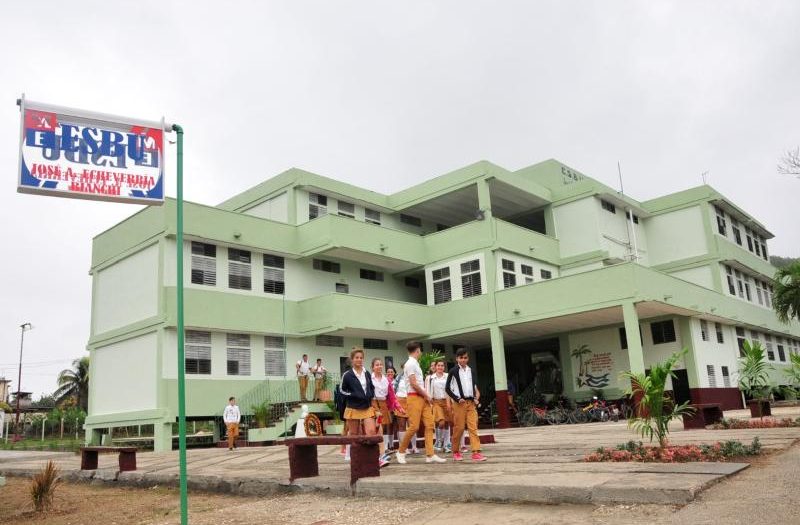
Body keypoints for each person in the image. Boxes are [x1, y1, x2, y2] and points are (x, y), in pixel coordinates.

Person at [396, 342, 446, 464]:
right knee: (414, 426)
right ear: (418, 350)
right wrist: (426, 395)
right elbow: (413, 383)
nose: (421, 353)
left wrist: (425, 396)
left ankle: (430, 454)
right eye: (420, 351)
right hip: (414, 397)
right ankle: (401, 451)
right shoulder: (409, 364)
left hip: (422, 397)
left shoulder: (415, 363)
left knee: (429, 425)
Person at [340, 347, 386, 467]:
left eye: (361, 358)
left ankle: (375, 459)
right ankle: (354, 458)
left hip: (366, 407)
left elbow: (370, 387)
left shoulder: (366, 373)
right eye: (357, 358)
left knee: (371, 432)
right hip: (353, 408)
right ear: (352, 359)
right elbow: (342, 391)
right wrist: (354, 395)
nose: (359, 360)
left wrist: (370, 394)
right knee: (354, 434)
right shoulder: (347, 375)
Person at [445, 348, 487, 462]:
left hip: (471, 403)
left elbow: (472, 386)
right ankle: (455, 451)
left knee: (473, 427)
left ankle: (476, 452)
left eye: (465, 357)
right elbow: (447, 388)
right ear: (457, 358)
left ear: (468, 358)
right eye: (461, 358)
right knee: (459, 428)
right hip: (460, 404)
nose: (463, 360)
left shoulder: (470, 371)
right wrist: (457, 399)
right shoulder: (453, 371)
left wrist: (475, 398)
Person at [371, 357, 401, 463]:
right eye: (376, 365)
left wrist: (398, 407)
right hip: (373, 404)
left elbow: (392, 396)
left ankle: (382, 453)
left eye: (380, 364)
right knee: (375, 428)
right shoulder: (369, 378)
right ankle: (379, 453)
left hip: (383, 405)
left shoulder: (386, 380)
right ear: (372, 367)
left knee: (381, 428)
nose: (379, 366)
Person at [427, 359, 452, 453]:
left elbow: (450, 389)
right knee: (441, 422)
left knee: (447, 423)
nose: (440, 367)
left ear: (444, 367)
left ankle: (446, 444)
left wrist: (450, 402)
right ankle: (439, 440)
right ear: (435, 367)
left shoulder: (447, 376)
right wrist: (430, 403)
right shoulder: (431, 378)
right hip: (436, 402)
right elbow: (429, 391)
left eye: (442, 365)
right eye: (438, 365)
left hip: (447, 401)